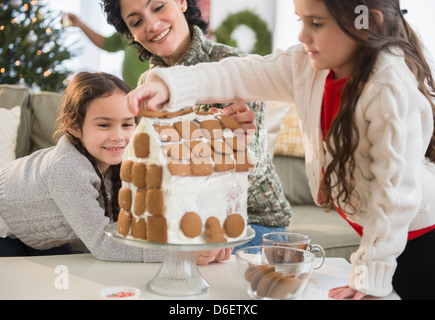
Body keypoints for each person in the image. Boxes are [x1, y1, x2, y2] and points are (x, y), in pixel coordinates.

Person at [123, 0, 435, 300]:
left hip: (420, 237)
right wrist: (169, 85)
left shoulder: (389, 89)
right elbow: (240, 73)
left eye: (315, 23)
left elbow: (393, 194)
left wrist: (372, 272)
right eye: (301, 20)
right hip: (384, 233)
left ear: (368, 22)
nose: (302, 35)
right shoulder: (307, 67)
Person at [100, 0, 292, 265]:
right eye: (136, 21)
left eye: (157, 7)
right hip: (183, 217)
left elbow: (250, 168)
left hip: (252, 224)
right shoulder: (148, 82)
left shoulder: (233, 65)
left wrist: (223, 141)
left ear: (181, 2)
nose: (152, 25)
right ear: (130, 34)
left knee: (177, 265)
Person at [0, 71, 164, 261]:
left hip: (42, 232)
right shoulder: (68, 170)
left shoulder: (123, 160)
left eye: (127, 124)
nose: (118, 136)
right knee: (17, 284)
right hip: (0, 221)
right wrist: (176, 254)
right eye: (104, 125)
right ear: (74, 126)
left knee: (63, 280)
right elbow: (102, 244)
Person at [65, 13, 149, 89]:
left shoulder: (154, 28)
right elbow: (106, 44)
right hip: (131, 92)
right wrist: (80, 25)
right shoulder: (128, 29)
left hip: (153, 92)